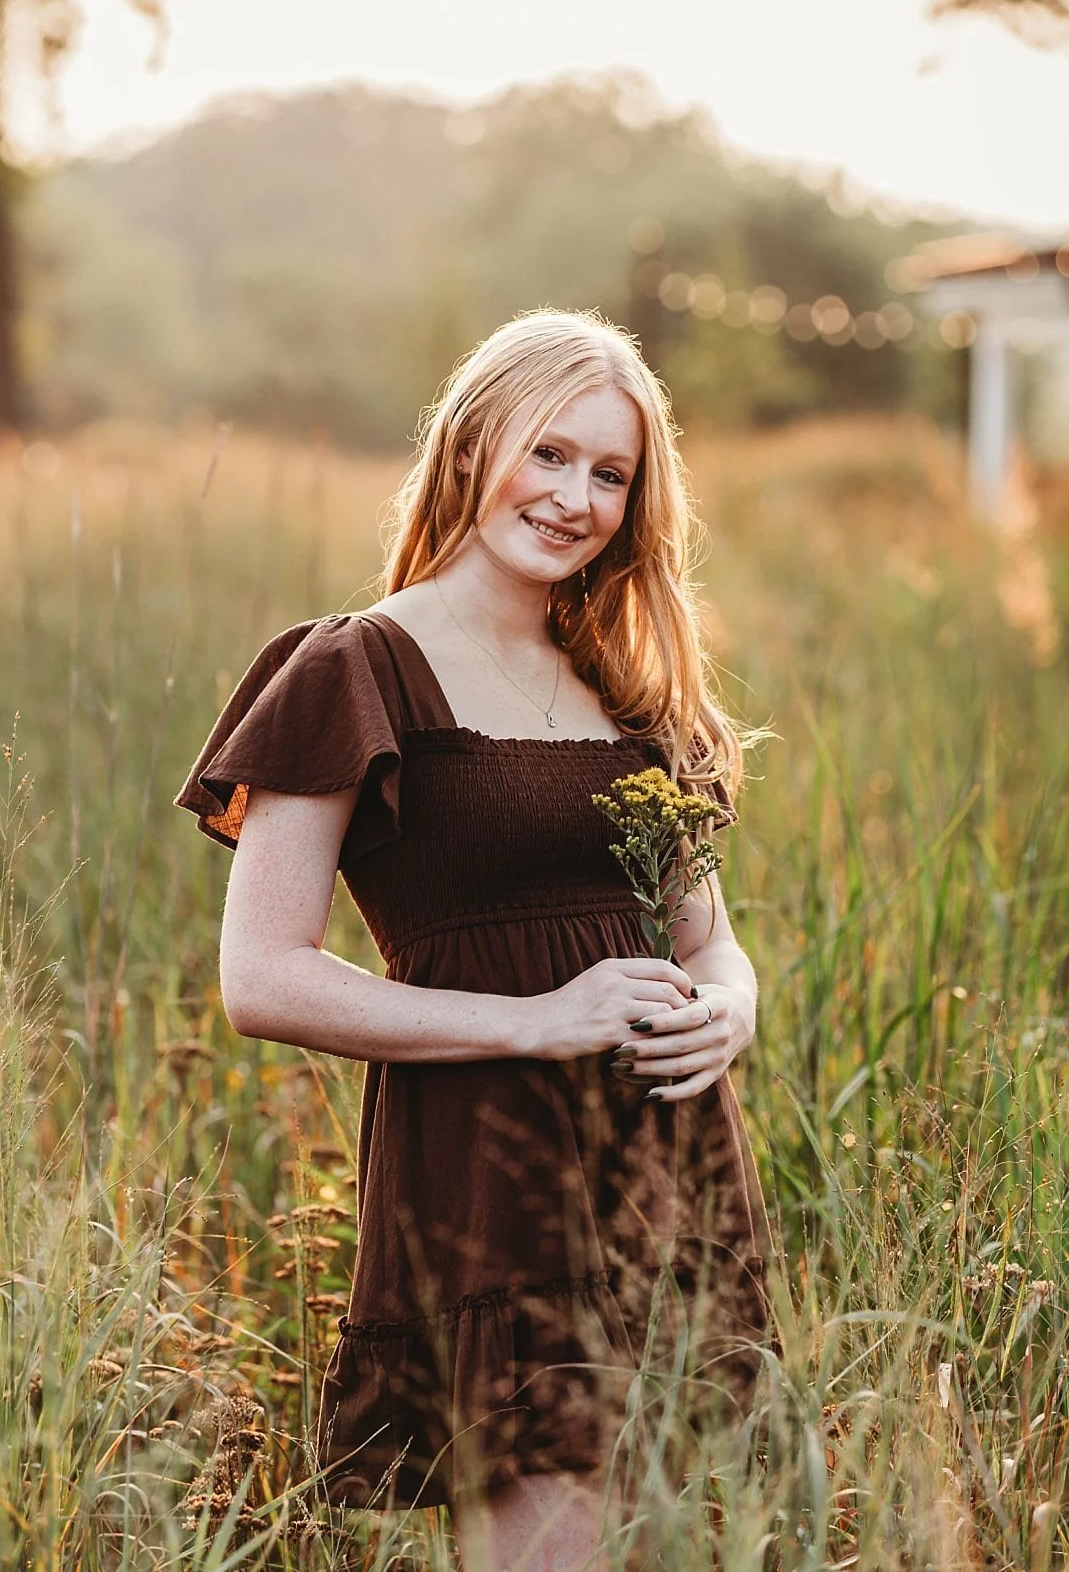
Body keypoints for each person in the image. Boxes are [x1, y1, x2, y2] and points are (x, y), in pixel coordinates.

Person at [174, 309, 774, 1572]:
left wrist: (733, 1003)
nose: (574, 499)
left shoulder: (625, 685)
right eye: (548, 454)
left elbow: (704, 939)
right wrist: (533, 1019)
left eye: (609, 474)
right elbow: (260, 976)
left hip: (666, 1165)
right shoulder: (356, 666)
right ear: (469, 448)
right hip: (487, 1177)